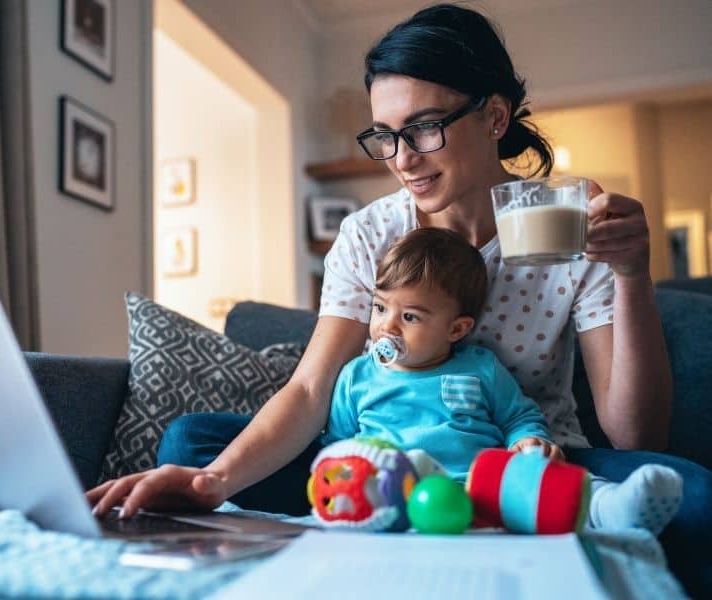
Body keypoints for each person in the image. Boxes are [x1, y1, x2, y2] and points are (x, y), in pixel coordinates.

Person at [88, 4, 710, 593]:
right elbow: (310, 390)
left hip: (530, 462)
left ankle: (490, 505)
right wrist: (211, 480)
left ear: (495, 117)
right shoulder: (370, 234)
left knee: (698, 501)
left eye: (424, 128)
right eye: (384, 135)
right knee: (192, 446)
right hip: (385, 458)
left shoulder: (567, 222)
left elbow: (634, 433)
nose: (402, 158)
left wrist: (630, 274)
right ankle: (391, 500)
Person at [322, 227, 681, 535]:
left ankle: (609, 507)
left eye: (411, 316)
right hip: (395, 492)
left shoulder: (479, 369)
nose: (388, 326)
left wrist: (528, 440)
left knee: (541, 484)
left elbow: (517, 417)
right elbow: (338, 444)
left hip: (479, 486)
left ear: (457, 328)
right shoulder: (357, 376)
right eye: (380, 308)